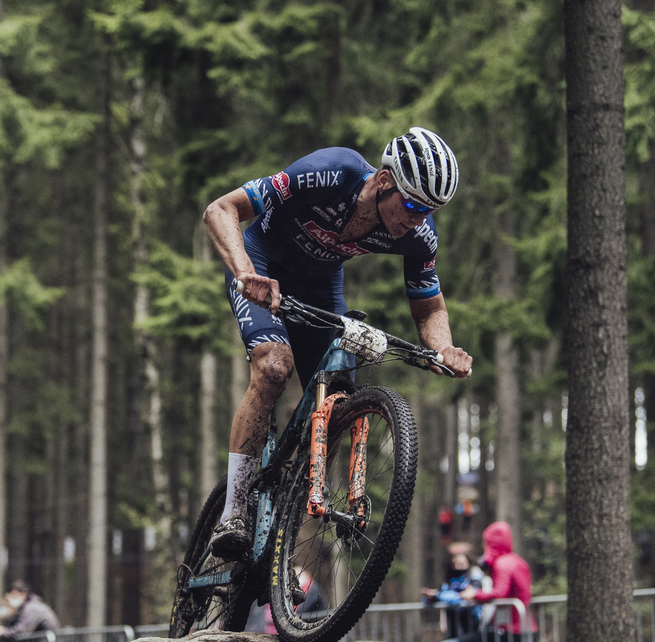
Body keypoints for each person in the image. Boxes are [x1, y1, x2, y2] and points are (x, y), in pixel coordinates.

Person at [202, 129, 473, 559]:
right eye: (413, 205)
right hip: (263, 264)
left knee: (338, 402)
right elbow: (220, 209)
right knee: (274, 366)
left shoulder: (417, 235)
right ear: (384, 181)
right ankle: (233, 512)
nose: (418, 219)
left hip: (320, 287)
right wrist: (244, 271)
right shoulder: (331, 172)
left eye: (430, 211)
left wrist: (445, 349)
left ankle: (286, 531)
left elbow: (429, 305)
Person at [457, 521, 537, 642]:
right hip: (525, 631)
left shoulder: (502, 564)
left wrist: (474, 594)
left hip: (512, 633)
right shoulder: (518, 561)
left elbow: (500, 592)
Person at [420, 544, 487, 642]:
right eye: (455, 564)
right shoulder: (448, 583)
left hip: (469, 637)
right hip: (453, 638)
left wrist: (439, 596)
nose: (458, 567)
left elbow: (462, 598)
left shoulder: (474, 579)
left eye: (462, 563)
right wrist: (431, 598)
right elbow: (434, 599)